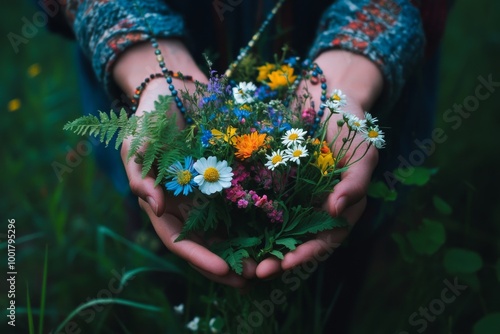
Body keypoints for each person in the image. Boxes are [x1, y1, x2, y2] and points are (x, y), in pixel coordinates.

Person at [42, 0, 450, 330]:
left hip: (360, 87)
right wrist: (148, 65)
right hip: (167, 108)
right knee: (165, 246)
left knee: (333, 279)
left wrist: (350, 70)